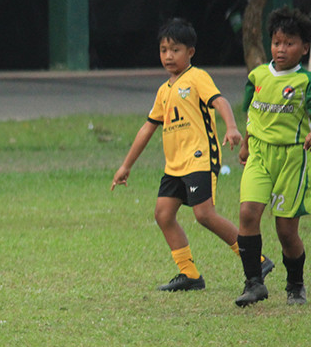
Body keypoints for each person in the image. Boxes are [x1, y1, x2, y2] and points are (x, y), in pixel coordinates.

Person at [111, 18, 272, 291]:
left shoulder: (197, 77)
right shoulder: (164, 90)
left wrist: (232, 127)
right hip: (175, 165)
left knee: (204, 214)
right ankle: (190, 275)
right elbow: (147, 128)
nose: (168, 56)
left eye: (175, 50)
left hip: (199, 158)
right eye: (164, 50)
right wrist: (126, 165)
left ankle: (256, 259)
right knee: (163, 214)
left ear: (190, 52)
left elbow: (219, 101)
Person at [235, 7, 311, 307]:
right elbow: (254, 112)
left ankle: (295, 285)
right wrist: (246, 143)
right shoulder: (258, 76)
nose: (281, 49)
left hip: (292, 158)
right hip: (259, 155)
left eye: (289, 43)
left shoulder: (306, 82)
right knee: (247, 214)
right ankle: (254, 283)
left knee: (285, 230)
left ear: (305, 47)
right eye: (277, 42)